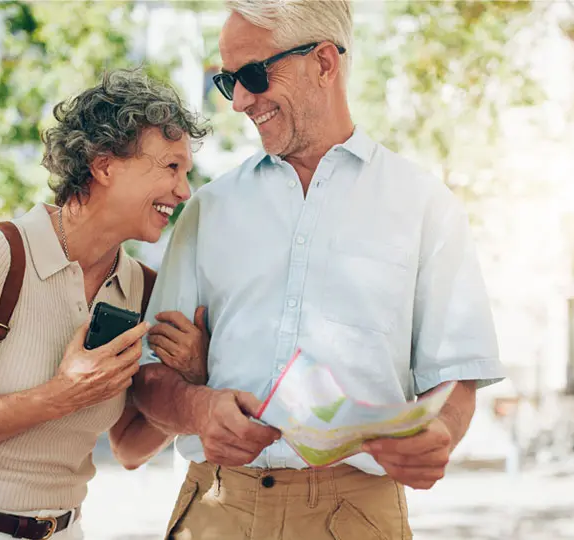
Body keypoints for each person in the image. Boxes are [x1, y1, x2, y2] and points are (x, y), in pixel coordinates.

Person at [132, 1, 506, 538]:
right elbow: (148, 378)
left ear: (325, 64)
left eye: (254, 76)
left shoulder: (425, 205)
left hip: (355, 515)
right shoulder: (208, 209)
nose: (239, 101)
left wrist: (438, 434)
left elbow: (455, 382)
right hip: (215, 508)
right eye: (228, 81)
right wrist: (194, 408)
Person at [0, 69, 210, 540]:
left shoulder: (143, 289)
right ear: (104, 166)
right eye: (171, 167)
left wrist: (193, 377)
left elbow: (129, 448)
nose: (184, 191)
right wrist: (57, 397)